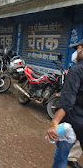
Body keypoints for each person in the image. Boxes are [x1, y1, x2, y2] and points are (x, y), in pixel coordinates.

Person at [46, 39, 83, 168]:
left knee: (61, 157)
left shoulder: (77, 70)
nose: (76, 53)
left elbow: (67, 100)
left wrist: (53, 124)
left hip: (71, 124)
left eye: (78, 49)